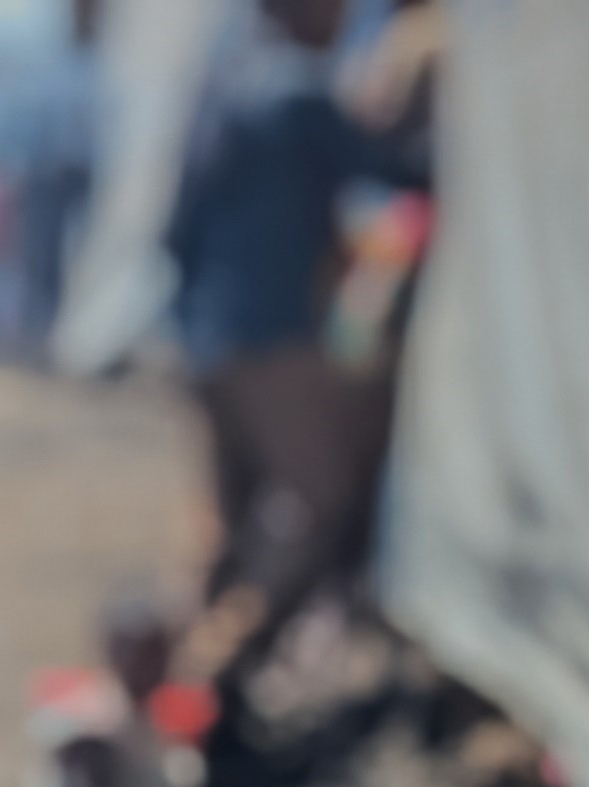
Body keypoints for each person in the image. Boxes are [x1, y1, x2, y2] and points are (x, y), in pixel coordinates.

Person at [163, 0, 419, 661]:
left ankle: (178, 683)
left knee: (232, 519)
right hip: (269, 337)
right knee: (320, 496)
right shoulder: (299, 96)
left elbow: (175, 228)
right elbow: (394, 168)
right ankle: (223, 659)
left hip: (206, 339)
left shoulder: (224, 93)